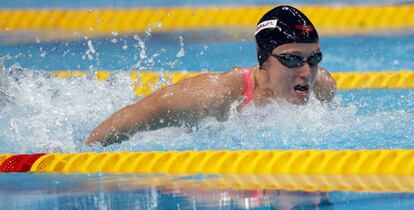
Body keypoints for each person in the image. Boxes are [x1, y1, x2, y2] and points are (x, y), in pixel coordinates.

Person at [86, 5, 337, 146]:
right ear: (263, 63)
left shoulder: (322, 87)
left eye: (314, 58)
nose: (306, 72)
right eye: (292, 59)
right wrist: (79, 156)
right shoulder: (215, 95)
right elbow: (137, 116)